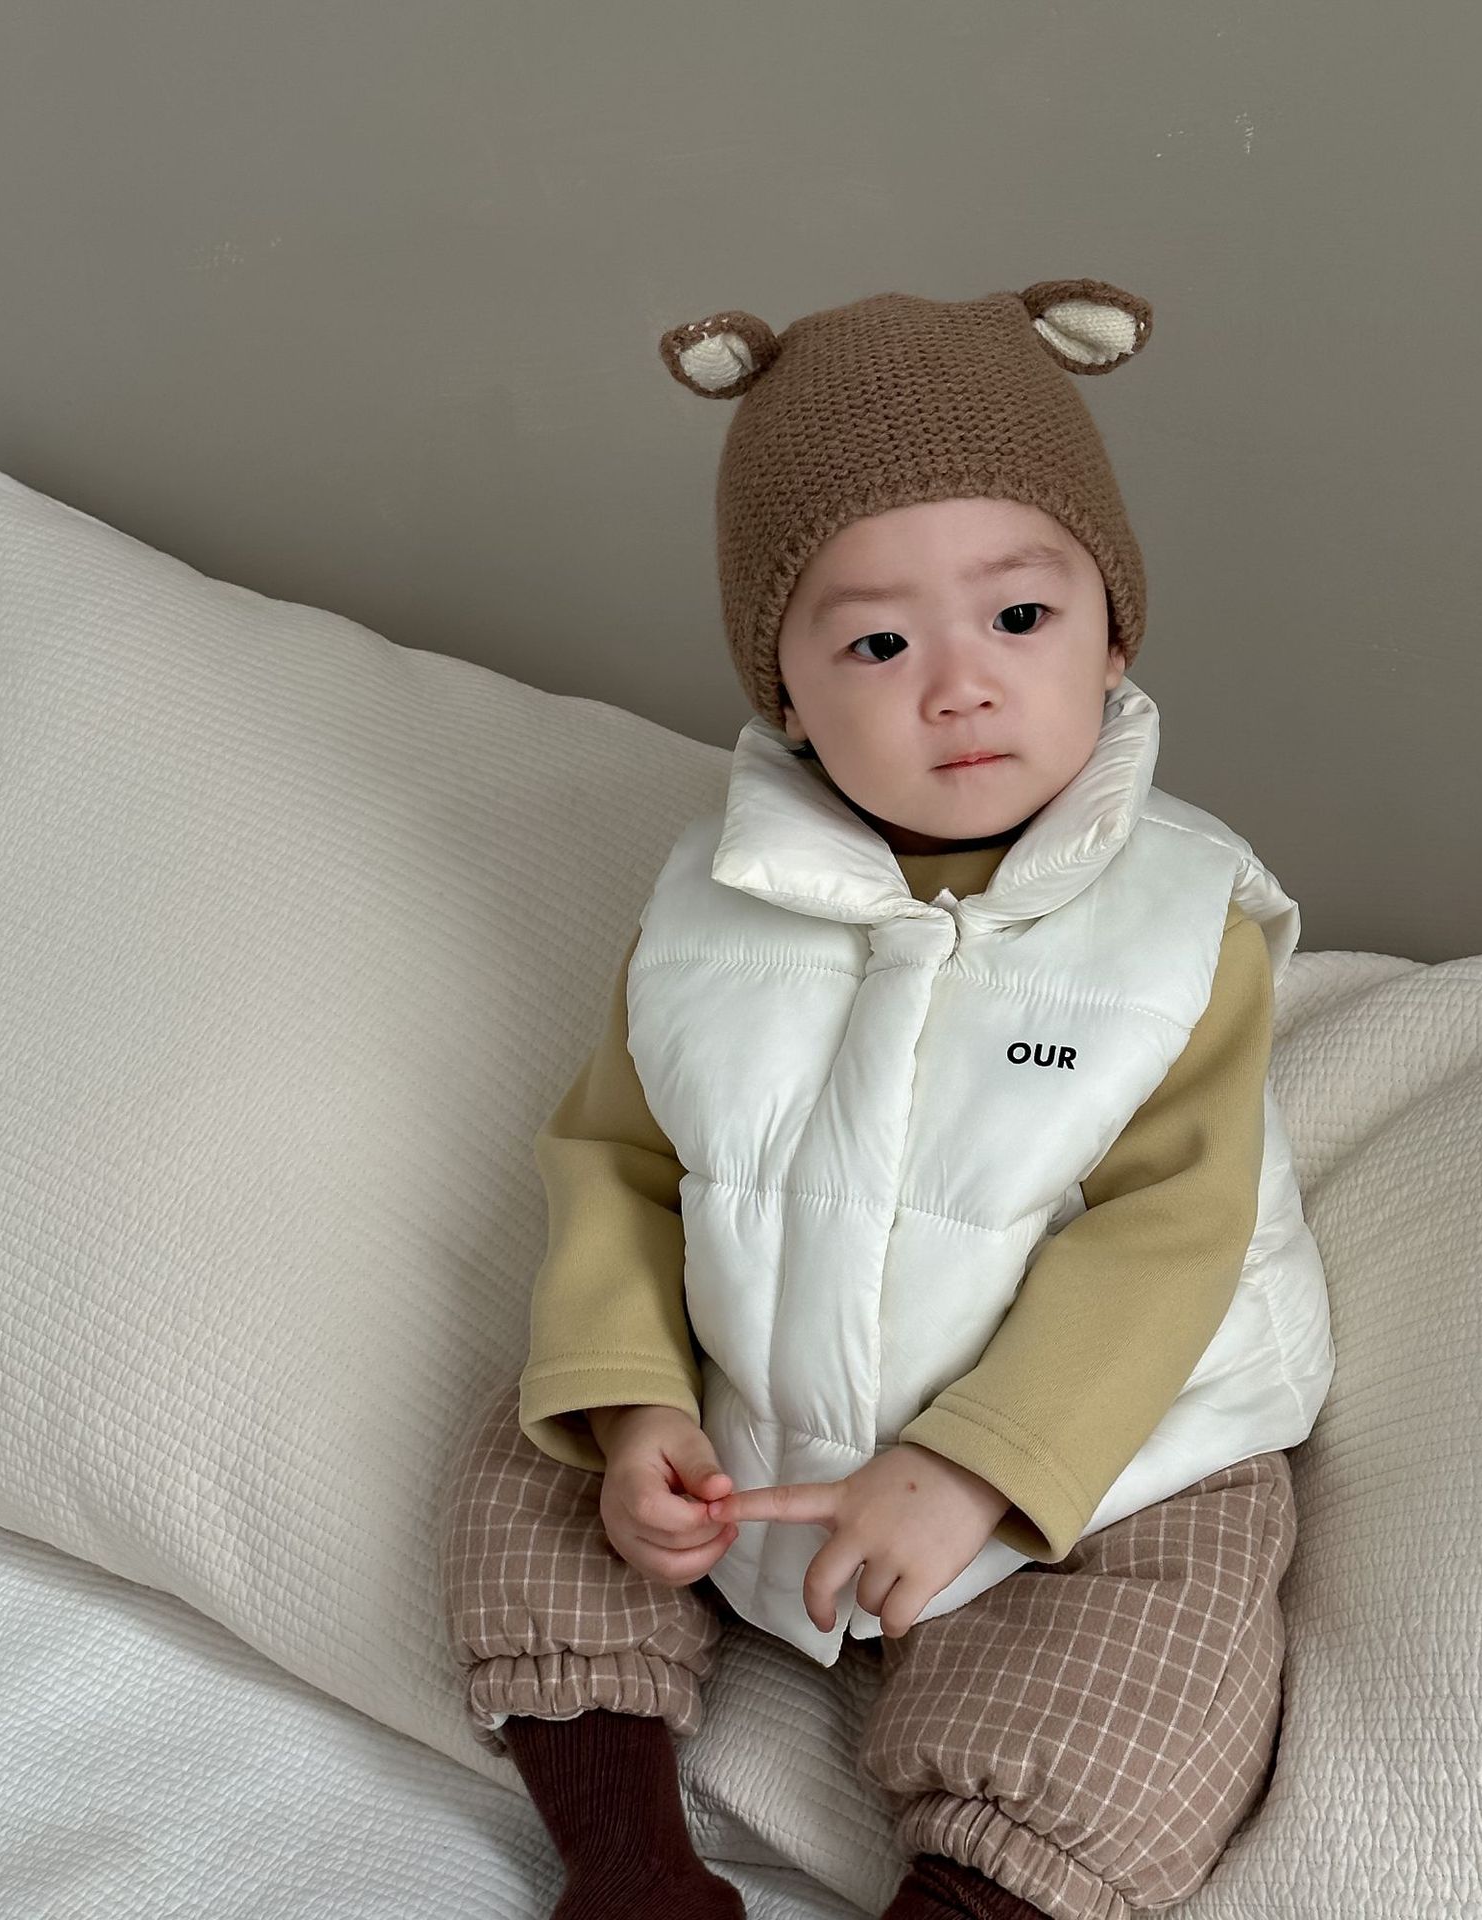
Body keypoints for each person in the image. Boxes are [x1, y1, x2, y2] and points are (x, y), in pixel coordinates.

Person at [438, 280, 1336, 1920]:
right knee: (529, 1451)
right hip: (756, 1419)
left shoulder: (1178, 920)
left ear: (1113, 634)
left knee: (1168, 1644)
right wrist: (636, 1411)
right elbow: (618, 1162)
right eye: (876, 643)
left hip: (1085, 1464)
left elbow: (1175, 1229)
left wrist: (982, 1466)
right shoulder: (708, 910)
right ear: (785, 690)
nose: (959, 686)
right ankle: (631, 1867)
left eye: (1020, 617)